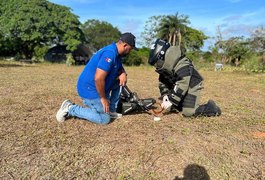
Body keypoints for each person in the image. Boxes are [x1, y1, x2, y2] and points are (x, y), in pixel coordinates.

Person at [56, 32, 138, 124]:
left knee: (120, 81)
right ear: (125, 45)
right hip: (90, 89)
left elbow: (118, 67)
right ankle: (70, 108)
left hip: (98, 86)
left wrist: (123, 73)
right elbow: (98, 78)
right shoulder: (110, 54)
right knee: (104, 119)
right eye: (130, 48)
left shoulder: (117, 54)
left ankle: (111, 110)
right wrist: (103, 98)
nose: (130, 51)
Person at [148, 39, 221, 117]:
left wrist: (171, 100)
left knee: (188, 112)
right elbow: (162, 82)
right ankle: (180, 103)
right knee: (171, 107)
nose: (157, 66)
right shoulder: (167, 68)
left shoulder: (182, 64)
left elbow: (183, 82)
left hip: (192, 84)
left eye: (157, 63)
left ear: (163, 56)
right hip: (179, 85)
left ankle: (212, 108)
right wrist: (165, 95)